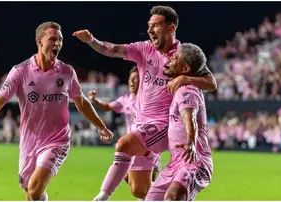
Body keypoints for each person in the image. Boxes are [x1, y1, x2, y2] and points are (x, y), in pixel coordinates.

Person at [73, 5, 217, 200]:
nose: (150, 30)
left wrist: (185, 79)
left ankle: (103, 196)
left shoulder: (182, 56)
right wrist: (92, 41)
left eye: (156, 25)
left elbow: (211, 83)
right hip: (143, 125)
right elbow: (114, 49)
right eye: (149, 25)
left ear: (171, 28)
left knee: (123, 144)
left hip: (162, 125)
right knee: (139, 190)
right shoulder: (144, 49)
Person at [0, 21, 114, 201]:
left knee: (35, 190)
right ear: (39, 42)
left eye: (60, 40)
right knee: (31, 194)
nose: (58, 44)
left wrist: (101, 127)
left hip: (57, 140)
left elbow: (81, 102)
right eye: (53, 39)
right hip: (29, 142)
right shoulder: (20, 72)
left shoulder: (67, 72)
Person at [145, 43, 213, 201]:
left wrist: (190, 141)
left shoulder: (186, 90)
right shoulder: (181, 87)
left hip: (194, 162)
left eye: (175, 58)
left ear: (185, 69)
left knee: (173, 197)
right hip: (175, 163)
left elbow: (190, 117)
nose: (169, 58)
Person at [88, 66, 161, 191]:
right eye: (130, 78)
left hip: (148, 145)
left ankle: (163, 194)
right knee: (129, 178)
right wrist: (94, 100)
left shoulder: (149, 100)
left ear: (143, 80)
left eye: (136, 78)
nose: (131, 82)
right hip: (130, 146)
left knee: (146, 182)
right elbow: (106, 106)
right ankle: (161, 193)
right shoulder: (125, 100)